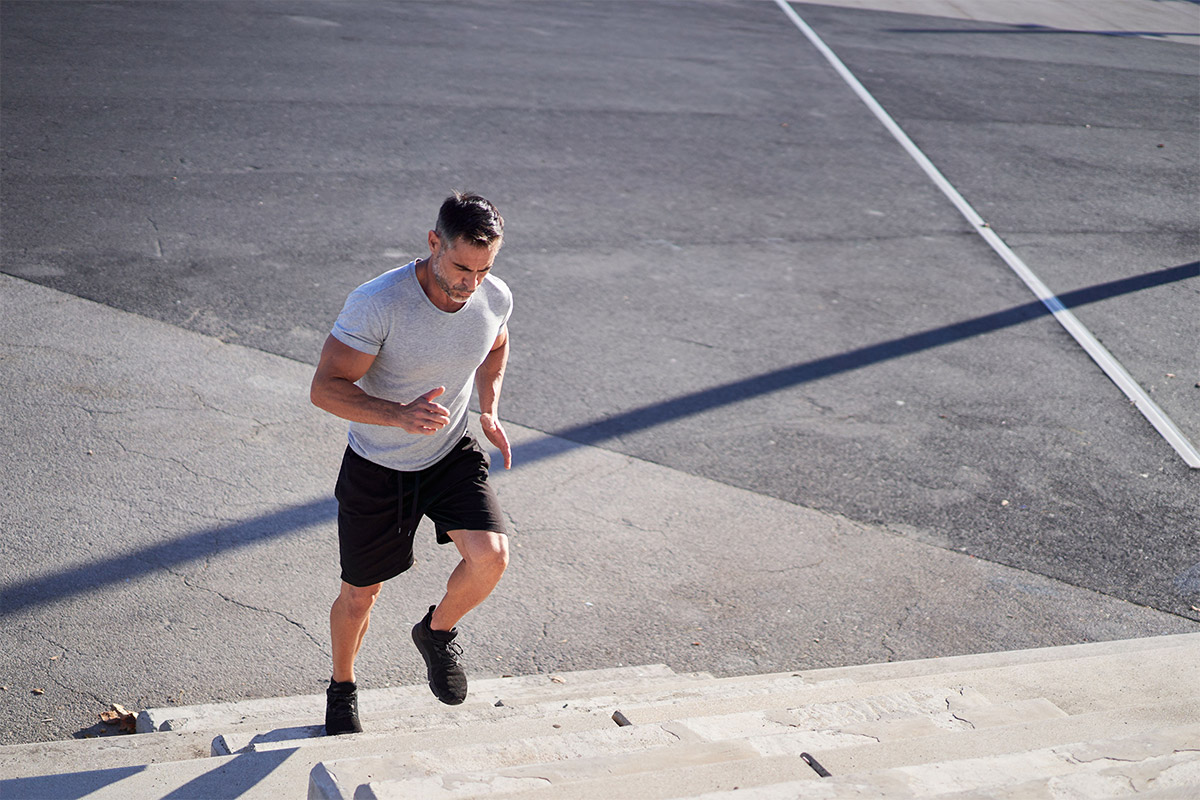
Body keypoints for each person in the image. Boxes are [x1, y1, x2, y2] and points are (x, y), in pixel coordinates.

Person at [309, 192, 513, 735]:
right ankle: (342, 687)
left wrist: (489, 408)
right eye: (461, 268)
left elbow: (495, 344)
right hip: (378, 464)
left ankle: (437, 631)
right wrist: (396, 414)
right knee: (360, 595)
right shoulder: (379, 302)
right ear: (433, 243)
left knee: (491, 557)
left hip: (449, 452)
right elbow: (325, 389)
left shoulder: (494, 297)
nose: (470, 284)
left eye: (484, 269)